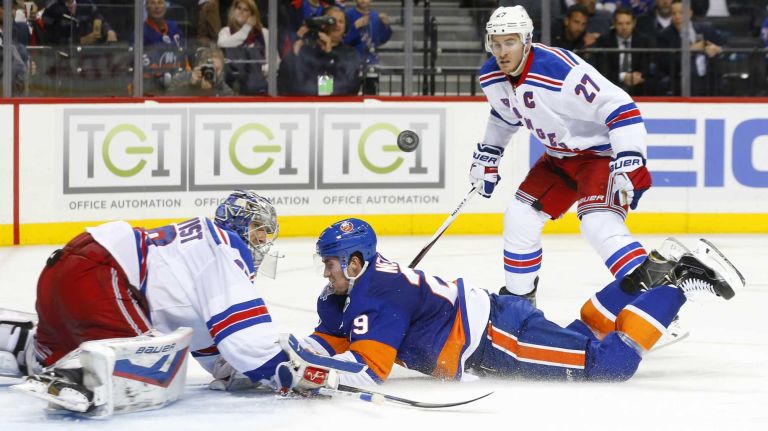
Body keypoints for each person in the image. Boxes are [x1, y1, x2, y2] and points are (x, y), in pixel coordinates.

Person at [302, 218, 742, 386]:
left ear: (356, 261)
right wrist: (289, 356)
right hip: (495, 328)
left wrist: (312, 376)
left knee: (610, 366)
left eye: (332, 264)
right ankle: (652, 270)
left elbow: (367, 371)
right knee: (580, 336)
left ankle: (679, 280)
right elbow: (329, 341)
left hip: (499, 338)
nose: (326, 273)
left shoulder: (376, 295)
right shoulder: (346, 293)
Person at [0, 190, 296, 415]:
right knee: (154, 371)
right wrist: (287, 370)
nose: (261, 241)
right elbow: (247, 344)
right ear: (240, 225)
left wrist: (238, 371)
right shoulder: (227, 248)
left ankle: (23, 344)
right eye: (259, 230)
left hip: (70, 270)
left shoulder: (197, 253)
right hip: (105, 275)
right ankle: (82, 375)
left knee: (54, 355)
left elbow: (215, 348)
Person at [473, 5, 654, 308]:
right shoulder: (492, 75)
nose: (502, 51)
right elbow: (505, 116)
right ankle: (519, 306)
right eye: (497, 43)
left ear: (527, 40)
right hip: (558, 159)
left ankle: (655, 304)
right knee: (519, 218)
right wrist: (488, 154)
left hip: (598, 155)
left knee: (599, 224)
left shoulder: (558, 69)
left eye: (510, 42)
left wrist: (631, 155)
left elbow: (619, 104)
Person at [277, 5, 361, 96]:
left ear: (346, 27)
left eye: (341, 21)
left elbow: (348, 86)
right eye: (332, 20)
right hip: (306, 104)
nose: (337, 24)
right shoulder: (307, 49)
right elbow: (283, 83)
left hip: (336, 106)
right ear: (322, 23)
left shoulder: (350, 54)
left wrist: (329, 54)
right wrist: (294, 53)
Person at [656, 0, 725, 96]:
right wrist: (689, 50)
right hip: (681, 82)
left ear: (690, 13)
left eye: (681, 13)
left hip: (708, 80)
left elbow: (726, 46)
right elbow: (665, 63)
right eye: (673, 13)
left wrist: (718, 49)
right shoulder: (664, 35)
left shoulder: (706, 29)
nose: (677, 17)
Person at [595, 7, 655, 96]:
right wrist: (623, 77)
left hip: (637, 85)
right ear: (614, 24)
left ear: (634, 23)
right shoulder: (604, 41)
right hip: (612, 84)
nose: (624, 27)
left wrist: (637, 77)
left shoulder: (644, 41)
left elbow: (648, 65)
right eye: (620, 24)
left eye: (628, 23)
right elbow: (602, 68)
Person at [217, 0, 269, 95]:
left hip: (259, 88)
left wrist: (264, 70)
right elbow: (223, 44)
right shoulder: (226, 31)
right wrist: (247, 28)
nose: (241, 12)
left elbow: (274, 61)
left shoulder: (264, 33)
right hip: (232, 88)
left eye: (245, 10)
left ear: (253, 15)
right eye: (239, 8)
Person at [141, 0, 188, 94]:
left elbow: (184, 57)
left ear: (166, 6)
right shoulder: (140, 32)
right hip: (151, 88)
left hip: (177, 84)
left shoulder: (175, 28)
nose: (156, 6)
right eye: (152, 3)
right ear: (146, 6)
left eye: (160, 2)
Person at [41, 0, 118, 45]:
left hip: (83, 56)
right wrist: (79, 41)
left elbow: (99, 18)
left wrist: (109, 31)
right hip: (59, 57)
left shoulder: (86, 3)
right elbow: (47, 37)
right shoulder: (51, 9)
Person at [169, 46, 235, 96]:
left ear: (222, 70)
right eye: (209, 68)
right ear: (200, 65)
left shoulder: (220, 84)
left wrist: (211, 92)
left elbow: (233, 103)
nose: (211, 72)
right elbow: (168, 98)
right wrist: (190, 85)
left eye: (216, 70)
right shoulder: (182, 77)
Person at [343, 0, 392, 67]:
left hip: (372, 61)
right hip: (353, 61)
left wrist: (386, 26)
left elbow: (382, 39)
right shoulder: (348, 15)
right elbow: (344, 41)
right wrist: (355, 27)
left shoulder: (375, 15)